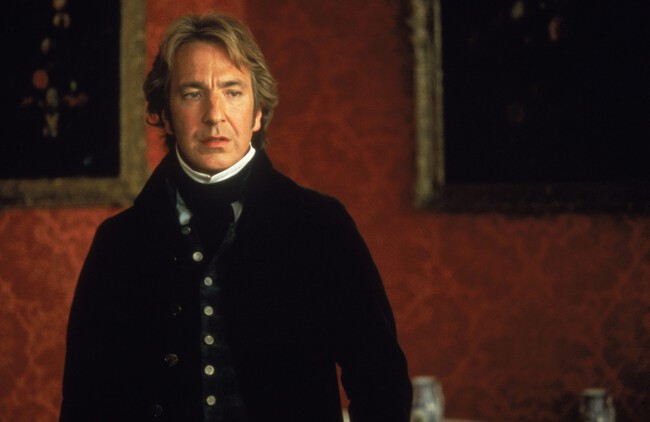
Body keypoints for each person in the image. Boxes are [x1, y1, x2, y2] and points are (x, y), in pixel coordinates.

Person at [60, 12, 411, 422]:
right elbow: (85, 402)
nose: (215, 114)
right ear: (166, 113)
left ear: (257, 112)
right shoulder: (119, 241)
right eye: (193, 93)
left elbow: (382, 383)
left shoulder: (321, 226)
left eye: (232, 92)